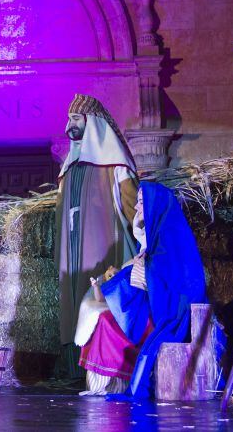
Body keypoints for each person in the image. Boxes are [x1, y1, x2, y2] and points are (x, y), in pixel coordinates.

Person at [76, 182, 208, 400]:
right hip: (150, 304)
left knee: (108, 322)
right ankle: (108, 384)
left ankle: (113, 382)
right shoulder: (153, 234)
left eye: (140, 203)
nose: (136, 207)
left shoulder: (172, 236)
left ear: (154, 206)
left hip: (168, 312)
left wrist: (141, 271)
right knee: (104, 318)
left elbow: (177, 281)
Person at [55, 94, 138, 372]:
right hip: (73, 251)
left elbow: (132, 206)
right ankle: (76, 367)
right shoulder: (69, 168)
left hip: (104, 244)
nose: (69, 125)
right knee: (74, 299)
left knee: (101, 296)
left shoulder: (116, 164)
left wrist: (144, 239)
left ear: (92, 122)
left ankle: (108, 365)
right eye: (69, 119)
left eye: (75, 118)